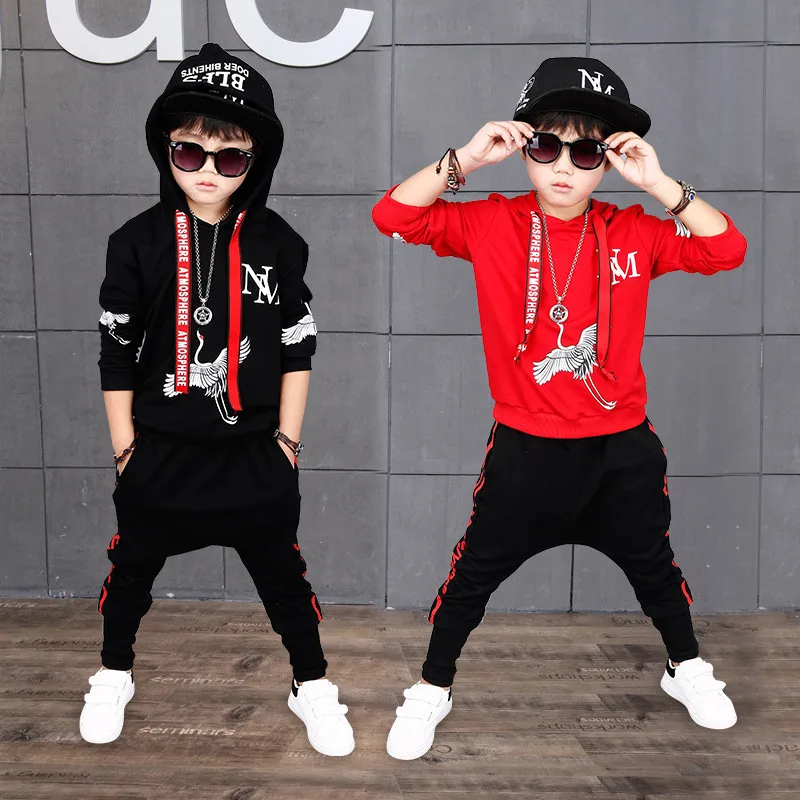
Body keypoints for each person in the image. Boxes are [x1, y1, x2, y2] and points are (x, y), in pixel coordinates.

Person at [372, 56, 747, 760]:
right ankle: (432, 687)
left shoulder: (634, 229)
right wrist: (465, 160)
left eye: (587, 151)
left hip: (621, 449)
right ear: (524, 148)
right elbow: (392, 214)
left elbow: (727, 249)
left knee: (655, 569)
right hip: (526, 448)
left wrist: (658, 183)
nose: (565, 166)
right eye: (547, 146)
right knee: (473, 575)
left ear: (608, 159)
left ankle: (686, 667)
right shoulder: (492, 222)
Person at [80, 43, 353, 757]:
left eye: (229, 157)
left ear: (255, 160)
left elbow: (298, 348)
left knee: (285, 581)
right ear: (165, 149)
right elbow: (115, 352)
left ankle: (311, 682)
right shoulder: (134, 242)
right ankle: (113, 673)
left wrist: (287, 444)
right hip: (159, 455)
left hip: (254, 457)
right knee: (130, 574)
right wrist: (125, 449)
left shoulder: (280, 242)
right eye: (189, 151)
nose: (207, 169)